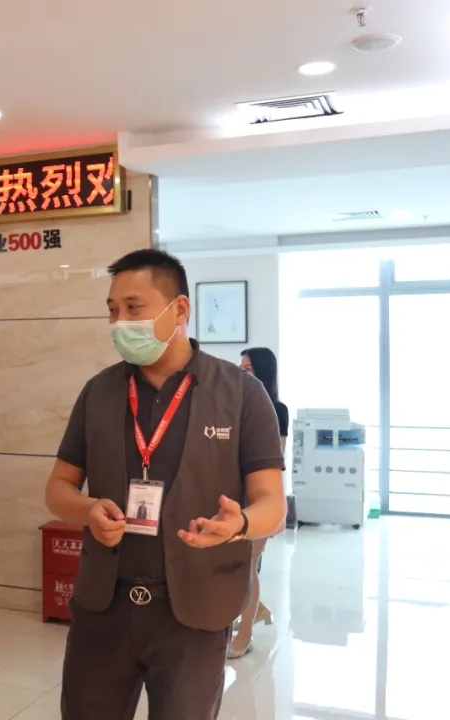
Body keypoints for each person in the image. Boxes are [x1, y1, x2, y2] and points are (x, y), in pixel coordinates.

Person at [44, 248, 287, 720]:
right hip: (104, 606)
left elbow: (271, 503)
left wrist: (238, 525)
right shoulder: (99, 392)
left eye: (133, 308)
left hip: (195, 610)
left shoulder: (240, 394)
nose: (119, 322)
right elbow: (58, 488)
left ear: (179, 309)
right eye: (112, 310)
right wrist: (86, 510)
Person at [229, 347, 290, 657]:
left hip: (260, 501)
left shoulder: (277, 410)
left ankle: (245, 635)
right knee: (237, 566)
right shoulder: (233, 404)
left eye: (248, 368)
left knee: (248, 566)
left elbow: (274, 459)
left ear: (263, 372)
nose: (241, 373)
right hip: (232, 497)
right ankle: (256, 609)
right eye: (240, 367)